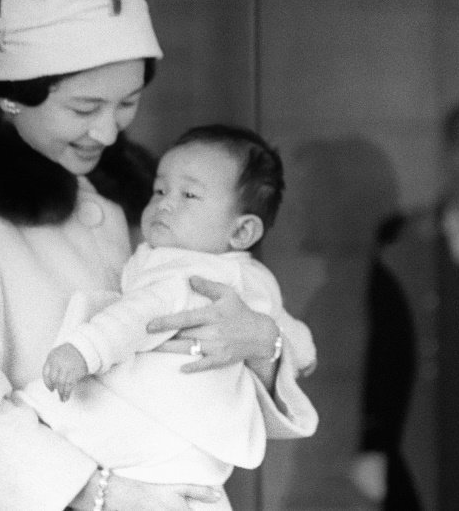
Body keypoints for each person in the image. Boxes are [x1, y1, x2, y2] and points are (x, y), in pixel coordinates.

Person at [0, 0, 319, 511]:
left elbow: (243, 340)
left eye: (127, 104)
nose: (109, 132)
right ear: (16, 95)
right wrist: (101, 492)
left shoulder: (152, 203)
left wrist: (261, 343)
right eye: (84, 108)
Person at [17, 124, 318, 510]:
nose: (165, 204)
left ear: (242, 231)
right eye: (159, 190)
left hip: (157, 427)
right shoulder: (256, 280)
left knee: (40, 410)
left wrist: (81, 350)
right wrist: (301, 353)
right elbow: (292, 335)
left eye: (189, 195)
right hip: (203, 446)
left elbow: (138, 316)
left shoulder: (186, 272)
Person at [353, 97, 459, 510]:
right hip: (420, 432)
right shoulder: (401, 237)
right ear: (447, 152)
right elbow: (384, 348)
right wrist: (373, 441)